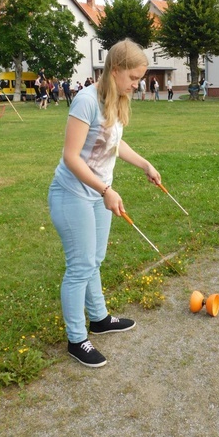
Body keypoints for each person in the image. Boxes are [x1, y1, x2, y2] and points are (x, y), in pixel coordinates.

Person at [48, 39, 161, 368]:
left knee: (94, 259)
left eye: (139, 79)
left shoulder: (116, 101)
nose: (136, 85)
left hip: (97, 194)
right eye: (134, 78)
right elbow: (71, 157)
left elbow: (114, 144)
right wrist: (105, 189)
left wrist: (145, 165)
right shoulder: (85, 101)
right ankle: (76, 339)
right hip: (72, 194)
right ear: (116, 70)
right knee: (80, 266)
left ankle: (98, 319)